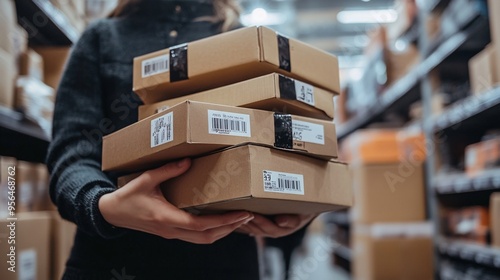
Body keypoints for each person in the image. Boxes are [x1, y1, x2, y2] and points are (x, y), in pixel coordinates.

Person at [46, 0, 315, 279]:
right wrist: (101, 205)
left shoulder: (249, 42)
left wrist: (299, 205)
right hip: (108, 262)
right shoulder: (102, 38)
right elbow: (72, 151)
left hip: (224, 264)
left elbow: (283, 144)